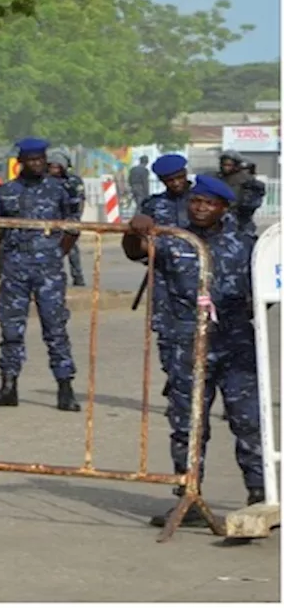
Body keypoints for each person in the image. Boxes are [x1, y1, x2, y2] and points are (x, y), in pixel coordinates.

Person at [122, 175, 265, 527]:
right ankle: (189, 496)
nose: (200, 208)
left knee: (247, 421)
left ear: (223, 208)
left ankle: (261, 494)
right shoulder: (174, 238)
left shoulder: (245, 243)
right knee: (187, 424)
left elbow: (264, 294)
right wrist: (135, 230)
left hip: (234, 347)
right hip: (185, 346)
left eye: (209, 203)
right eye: (196, 201)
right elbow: (136, 252)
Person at [0, 137, 82, 412]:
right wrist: (1, 267)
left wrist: (55, 254)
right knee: (11, 328)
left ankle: (65, 388)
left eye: (41, 160)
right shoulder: (5, 192)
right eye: (32, 160)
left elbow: (72, 228)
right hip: (15, 268)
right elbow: (0, 231)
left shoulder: (59, 190)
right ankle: (9, 386)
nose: (38, 164)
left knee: (55, 328)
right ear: (21, 163)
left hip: (48, 269)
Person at [126, 154, 192, 399]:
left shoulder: (202, 200)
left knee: (206, 342)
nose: (175, 183)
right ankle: (175, 378)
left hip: (201, 281)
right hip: (165, 280)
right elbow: (137, 243)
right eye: (169, 180)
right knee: (167, 338)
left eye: (179, 178)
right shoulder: (153, 205)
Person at [47, 152, 87, 287]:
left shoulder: (74, 181)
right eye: (51, 167)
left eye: (57, 167)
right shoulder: (44, 180)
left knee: (72, 248)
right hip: (50, 219)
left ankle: (78, 276)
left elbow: (80, 200)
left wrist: (76, 219)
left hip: (70, 217)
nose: (54, 170)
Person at [210, 151, 265, 236]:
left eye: (229, 165)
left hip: (240, 221)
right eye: (224, 164)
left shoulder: (248, 182)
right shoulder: (216, 178)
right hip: (217, 219)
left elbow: (250, 204)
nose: (226, 168)